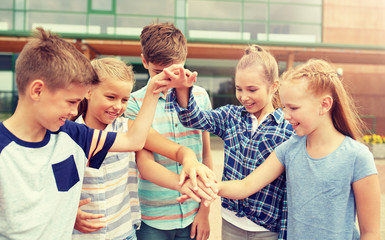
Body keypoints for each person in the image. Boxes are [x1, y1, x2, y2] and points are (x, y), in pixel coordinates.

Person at [0, 27, 203, 240]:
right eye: (71, 102)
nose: (72, 111)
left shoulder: (73, 134)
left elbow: (134, 140)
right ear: (37, 90)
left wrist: (153, 89)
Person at [216, 59, 381, 239]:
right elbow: (246, 186)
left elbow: (370, 233)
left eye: (293, 108)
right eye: (285, 107)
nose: (286, 116)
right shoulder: (288, 150)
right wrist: (209, 186)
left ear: (324, 104)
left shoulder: (358, 156)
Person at [71, 58, 216, 240]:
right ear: (88, 91)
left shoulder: (129, 128)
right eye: (111, 97)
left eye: (124, 99)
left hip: (125, 233)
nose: (118, 106)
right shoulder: (70, 134)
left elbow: (180, 151)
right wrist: (68, 213)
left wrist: (189, 160)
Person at [168, 45, 295, 240]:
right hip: (230, 222)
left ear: (274, 86)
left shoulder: (288, 128)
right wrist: (183, 88)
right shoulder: (231, 116)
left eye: (252, 89)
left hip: (267, 228)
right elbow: (193, 118)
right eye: (239, 89)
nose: (244, 97)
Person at [125, 22, 214, 240]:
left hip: (193, 214)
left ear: (184, 60)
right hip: (152, 219)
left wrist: (205, 212)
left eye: (175, 72)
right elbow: (145, 165)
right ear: (144, 61)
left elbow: (206, 155)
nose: (168, 80)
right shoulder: (133, 104)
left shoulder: (200, 97)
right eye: (158, 72)